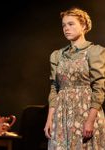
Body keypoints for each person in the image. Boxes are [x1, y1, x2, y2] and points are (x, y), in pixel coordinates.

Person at [44, 7, 105, 149]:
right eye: (64, 25)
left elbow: (99, 88)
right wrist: (49, 119)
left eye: (71, 24)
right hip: (61, 114)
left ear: (83, 26)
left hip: (86, 112)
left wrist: (90, 121)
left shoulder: (95, 52)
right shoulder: (57, 55)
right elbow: (54, 88)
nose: (66, 28)